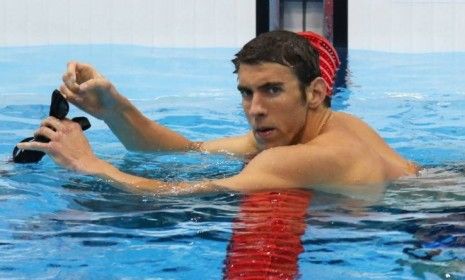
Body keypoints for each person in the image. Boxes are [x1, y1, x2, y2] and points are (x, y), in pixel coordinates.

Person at [16, 30, 418, 195]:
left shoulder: (305, 155)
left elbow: (179, 198)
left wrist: (89, 163)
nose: (255, 109)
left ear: (315, 93)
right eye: (246, 92)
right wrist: (115, 108)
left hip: (434, 220)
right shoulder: (320, 126)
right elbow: (188, 149)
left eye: (272, 90)